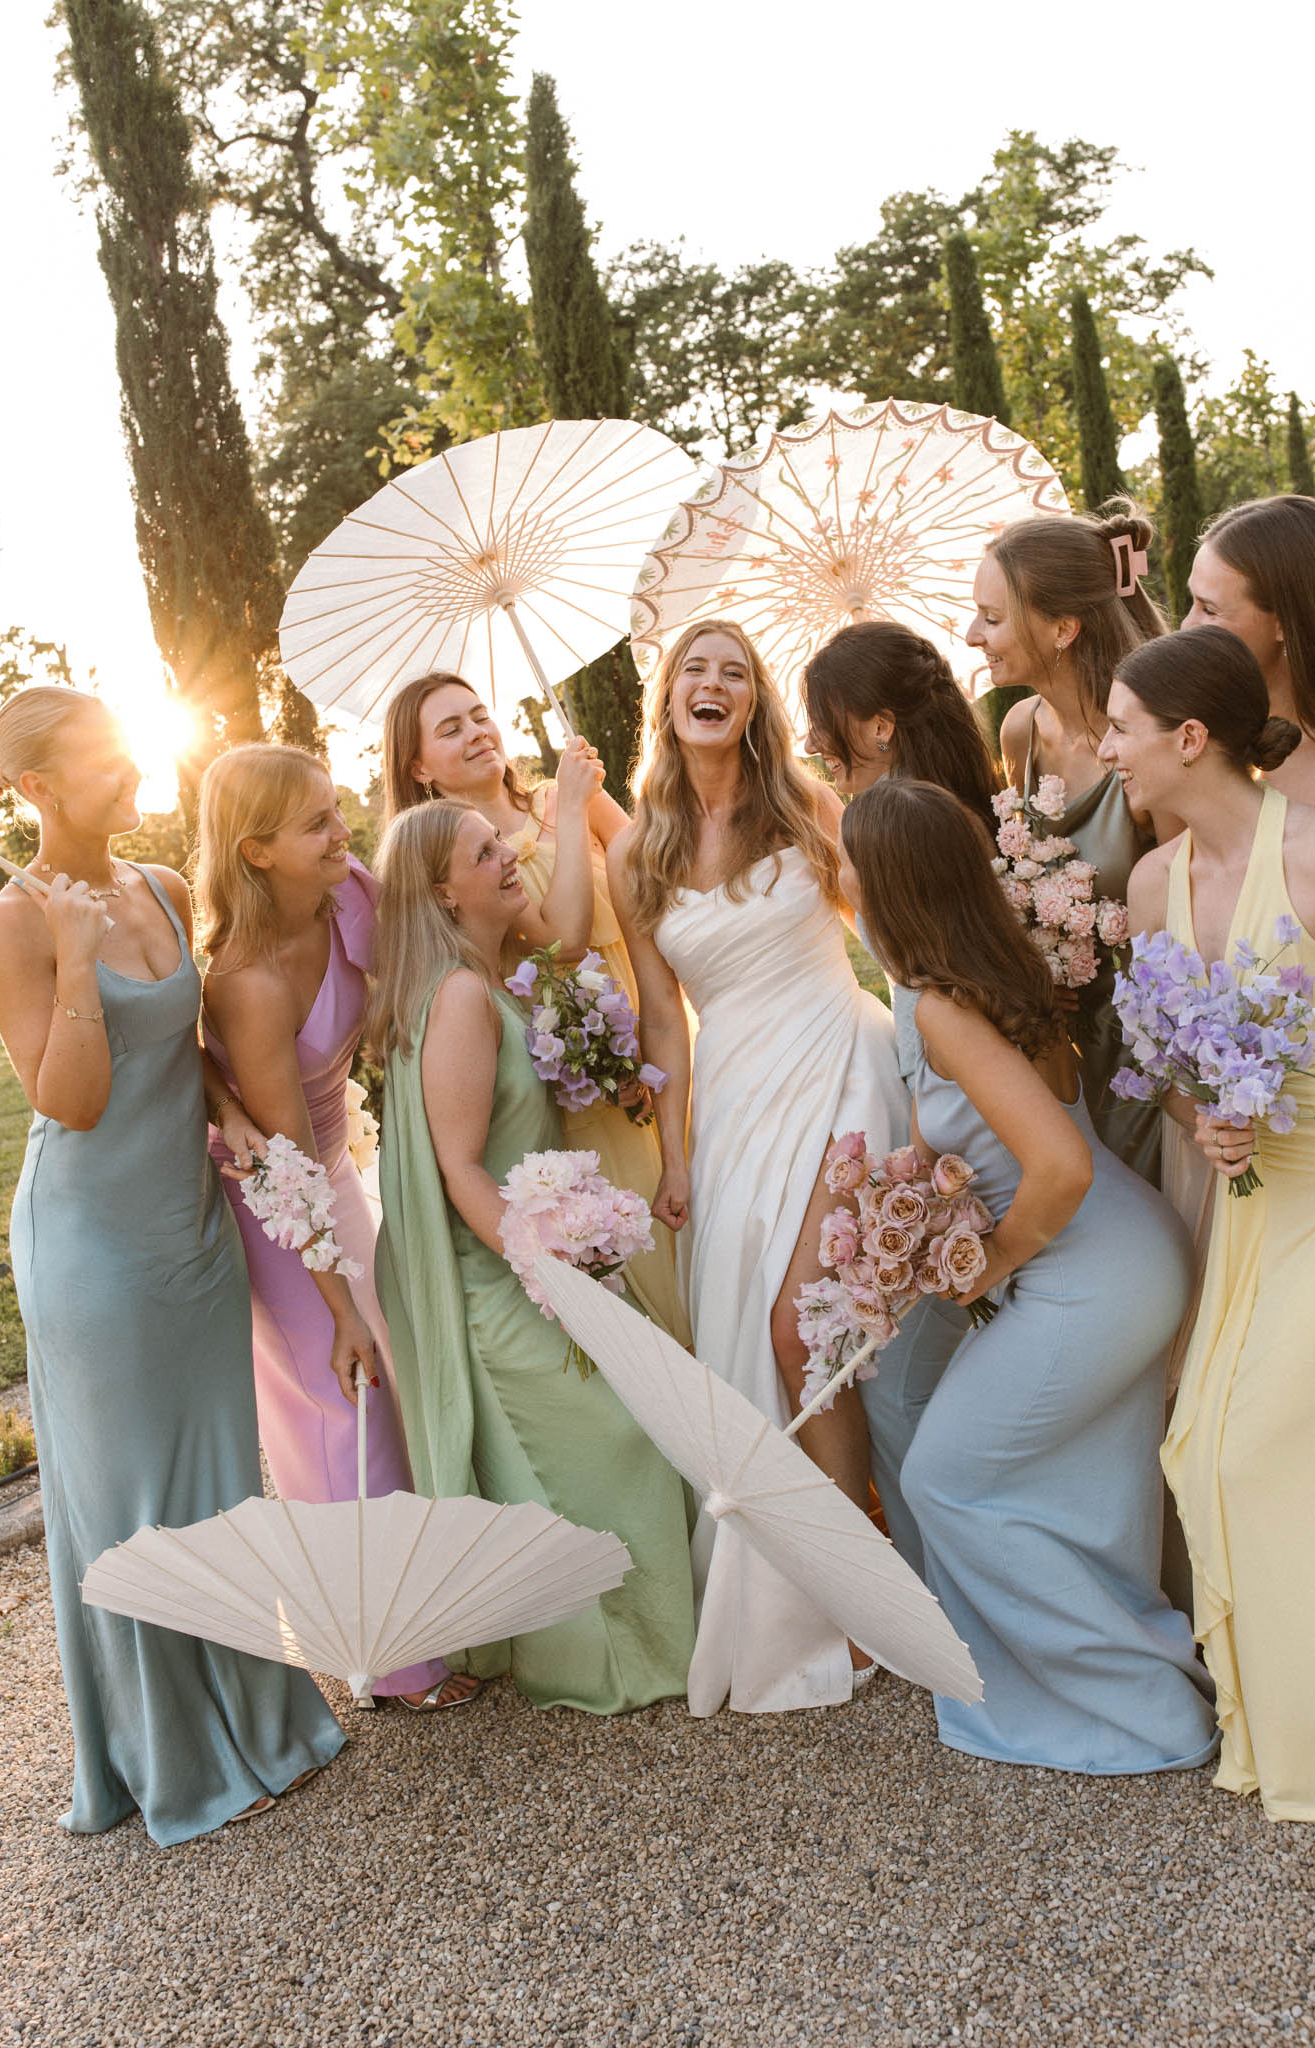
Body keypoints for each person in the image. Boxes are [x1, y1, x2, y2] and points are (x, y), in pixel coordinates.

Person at [0, 688, 342, 1844]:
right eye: (98, 760)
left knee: (217, 1479)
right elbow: (70, 1097)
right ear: (35, 786)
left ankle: (263, 1717)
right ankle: (170, 1756)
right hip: (92, 1244)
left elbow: (178, 1050)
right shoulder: (13, 921)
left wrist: (232, 1114)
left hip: (189, 1228)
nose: (128, 768)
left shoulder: (167, 887)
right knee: (137, 1501)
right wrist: (78, 962)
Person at [840, 774, 1217, 1774]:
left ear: (885, 882)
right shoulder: (967, 977)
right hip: (1112, 1260)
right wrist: (899, 1220)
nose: (831, 868)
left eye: (844, 854)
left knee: (948, 1477)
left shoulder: (944, 1007)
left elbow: (1060, 1164)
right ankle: (1138, 1676)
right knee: (1079, 1483)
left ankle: (1145, 1706)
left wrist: (995, 1258)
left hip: (1095, 1273)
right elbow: (964, 1151)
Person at [611, 618, 903, 1715]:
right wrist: (675, 1154)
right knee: (758, 1333)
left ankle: (865, 1577)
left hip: (839, 1060)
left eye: (734, 671)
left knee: (805, 1323)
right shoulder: (637, 847)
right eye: (697, 667)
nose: (714, 682)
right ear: (670, 696)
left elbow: (889, 928)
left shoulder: (806, 808)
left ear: (754, 701)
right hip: (734, 1092)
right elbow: (663, 1021)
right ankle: (840, 1570)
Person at [367, 798, 695, 1713]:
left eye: (501, 840)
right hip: (503, 1277)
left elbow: (569, 937)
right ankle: (617, 1651)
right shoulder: (462, 998)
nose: (508, 855)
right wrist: (545, 1271)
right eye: (486, 852)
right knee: (618, 1433)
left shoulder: (495, 974)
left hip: (538, 1256)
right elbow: (459, 1165)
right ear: (443, 889)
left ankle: (655, 1625)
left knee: (639, 1414)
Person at [1101, 625, 1315, 1825]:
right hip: (1244, 1203)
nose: (1106, 752)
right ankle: (1284, 1718)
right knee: (1200, 1448)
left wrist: (1294, 1094)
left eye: (1120, 727)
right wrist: (1209, 1114)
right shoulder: (1152, 884)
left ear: (1188, 736)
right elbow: (1177, 1060)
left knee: (1260, 1449)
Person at [195, 743, 470, 1712]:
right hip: (281, 1209)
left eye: (334, 806)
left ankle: (425, 1612)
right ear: (256, 849)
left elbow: (420, 978)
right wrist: (340, 1303)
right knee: (339, 1397)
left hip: (341, 1166)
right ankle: (386, 1656)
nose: (341, 827)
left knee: (393, 1380)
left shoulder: (350, 890)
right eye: (315, 821)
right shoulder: (246, 982)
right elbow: (281, 1167)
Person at [381, 673, 689, 1345]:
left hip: (658, 1038)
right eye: (450, 729)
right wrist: (575, 815)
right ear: (417, 767)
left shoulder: (560, 793)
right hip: (587, 1075)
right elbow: (565, 943)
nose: (476, 733)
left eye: (478, 714)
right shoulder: (473, 863)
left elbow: (653, 866)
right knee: (661, 1275)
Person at [800, 620, 1000, 1569]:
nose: (813, 744)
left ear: (878, 727)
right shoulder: (939, 810)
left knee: (903, 1383)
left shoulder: (905, 827)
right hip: (950, 1114)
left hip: (973, 1137)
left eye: (823, 725)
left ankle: (951, 1594)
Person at [968, 502, 1169, 1184]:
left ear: (1061, 628)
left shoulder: (1152, 744)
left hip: (1152, 1052)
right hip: (1055, 1047)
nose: (972, 634)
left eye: (992, 618)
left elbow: (1198, 911)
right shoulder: (1018, 731)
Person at [1182, 495, 1315, 819]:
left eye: (1210, 609)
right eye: (1192, 602)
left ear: (1285, 623)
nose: (1186, 625)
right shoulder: (1196, 738)